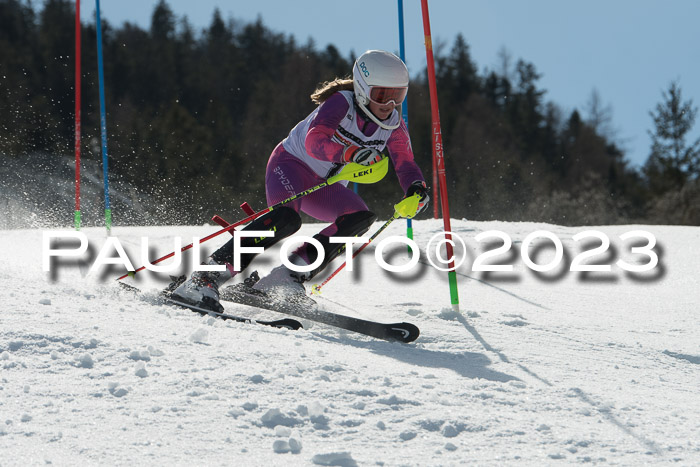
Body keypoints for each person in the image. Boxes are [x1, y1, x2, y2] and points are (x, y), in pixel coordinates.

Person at [170, 50, 430, 313]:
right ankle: (204, 277)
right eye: (381, 95)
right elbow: (314, 140)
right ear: (362, 89)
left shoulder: (394, 125)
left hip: (325, 184)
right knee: (286, 219)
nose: (389, 104)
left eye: (398, 96)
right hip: (290, 165)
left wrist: (416, 189)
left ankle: (286, 277)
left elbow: (405, 163)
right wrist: (349, 153)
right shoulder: (341, 102)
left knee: (360, 217)